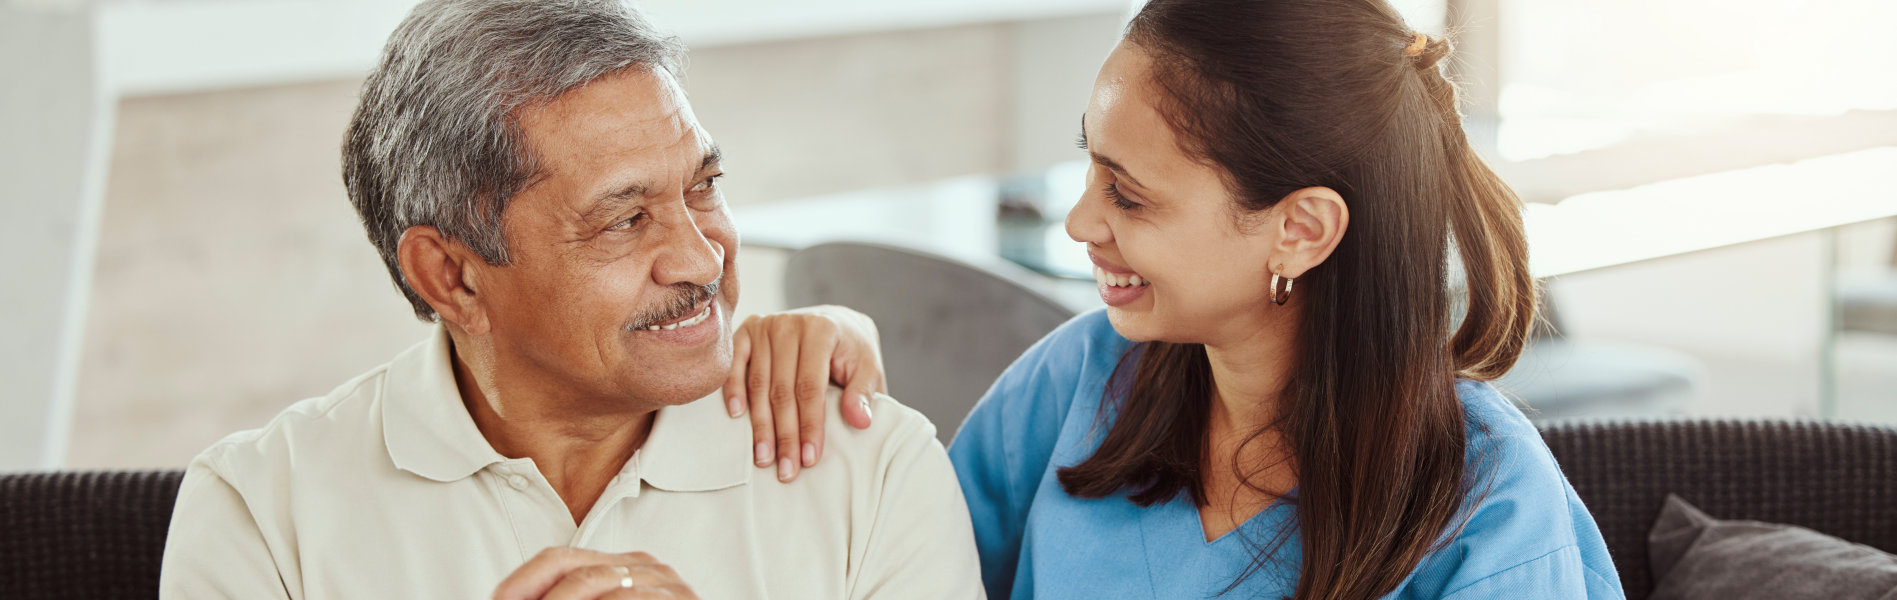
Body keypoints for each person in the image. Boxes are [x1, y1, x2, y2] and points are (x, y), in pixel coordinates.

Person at [750, 0, 1624, 597]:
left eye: (1128, 194)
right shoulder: (1080, 378)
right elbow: (896, 573)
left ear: (1300, 230)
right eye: (1087, 164)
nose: (1080, 221)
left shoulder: (1486, 502)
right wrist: (839, 369)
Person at [156, 1, 980, 598]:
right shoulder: (261, 507)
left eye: (704, 187)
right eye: (624, 220)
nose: (701, 256)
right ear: (451, 276)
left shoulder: (873, 468)